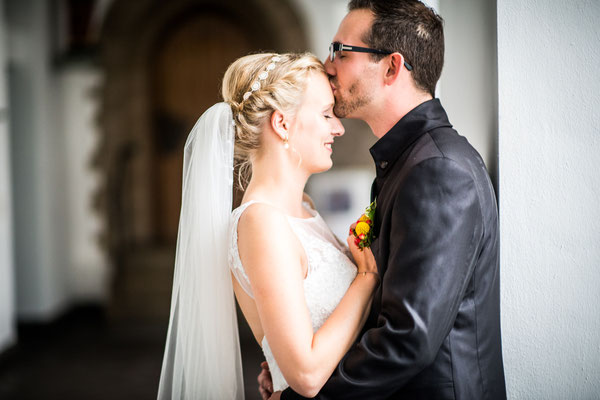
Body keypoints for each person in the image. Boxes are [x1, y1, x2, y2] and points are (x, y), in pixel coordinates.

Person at [260, 1, 507, 399]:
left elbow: (406, 338)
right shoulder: (409, 161)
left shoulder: (439, 171)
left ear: (392, 67)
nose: (327, 64)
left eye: (342, 50)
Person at [157, 52, 381, 400]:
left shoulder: (303, 207)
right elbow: (305, 375)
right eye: (325, 115)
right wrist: (367, 279)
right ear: (282, 124)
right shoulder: (261, 223)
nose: (337, 127)